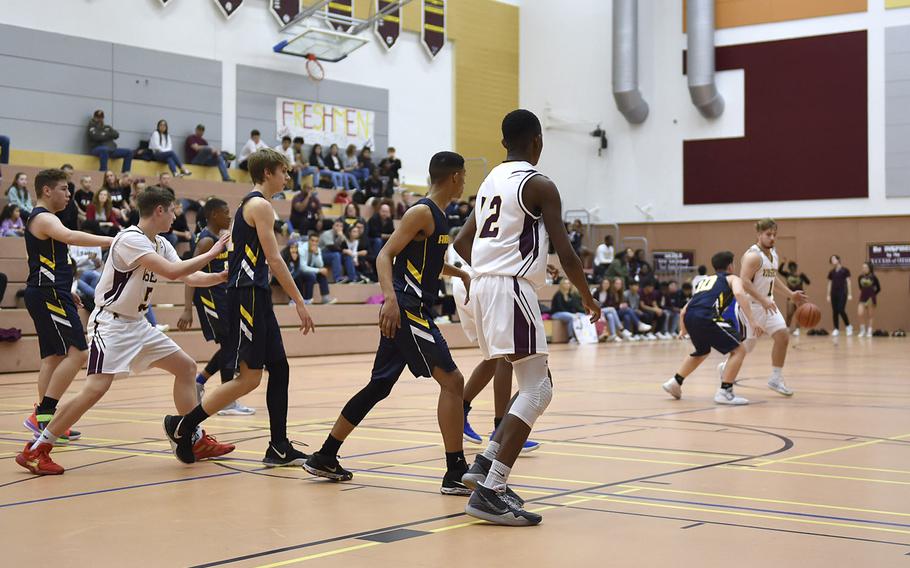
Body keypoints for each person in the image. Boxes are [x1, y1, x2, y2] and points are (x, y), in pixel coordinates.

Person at [16, 186, 233, 475]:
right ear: (159, 210)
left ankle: (192, 438)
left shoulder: (161, 243)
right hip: (112, 324)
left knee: (185, 367)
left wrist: (219, 275)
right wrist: (215, 251)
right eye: (172, 211)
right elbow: (170, 273)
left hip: (138, 324)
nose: (174, 217)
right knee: (95, 389)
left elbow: (187, 274)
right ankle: (37, 448)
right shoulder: (130, 239)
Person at [454, 109, 599, 526]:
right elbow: (566, 252)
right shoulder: (540, 184)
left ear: (505, 143)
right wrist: (588, 297)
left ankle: (484, 465)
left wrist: (490, 270)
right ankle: (491, 488)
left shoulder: (489, 183)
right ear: (537, 141)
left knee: (536, 384)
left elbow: (464, 241)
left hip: (484, 287)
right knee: (538, 391)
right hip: (510, 289)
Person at [303, 151, 473, 495]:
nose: (465, 181)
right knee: (453, 381)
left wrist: (461, 273)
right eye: (464, 175)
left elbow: (428, 264)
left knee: (379, 386)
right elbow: (385, 255)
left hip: (412, 308)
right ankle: (455, 471)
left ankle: (325, 455)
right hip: (407, 309)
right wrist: (390, 300)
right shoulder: (422, 211)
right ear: (454, 177)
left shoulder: (439, 215)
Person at [163, 148, 316, 467]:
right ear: (268, 173)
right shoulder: (260, 205)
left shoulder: (254, 204)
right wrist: (299, 301)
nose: (288, 176)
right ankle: (184, 426)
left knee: (281, 370)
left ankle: (279, 446)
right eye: (283, 171)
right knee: (248, 378)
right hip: (247, 295)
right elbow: (274, 259)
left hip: (254, 294)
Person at [19, 169, 112, 461]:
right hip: (48, 294)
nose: (69, 195)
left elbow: (51, 260)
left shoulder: (44, 219)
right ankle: (44, 414)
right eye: (63, 189)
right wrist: (110, 240)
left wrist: (66, 286)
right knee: (79, 354)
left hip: (48, 290)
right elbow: (71, 236)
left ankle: (44, 421)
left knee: (53, 357)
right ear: (47, 190)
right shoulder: (44, 217)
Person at [448, 229, 541, 450]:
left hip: (477, 280)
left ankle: (461, 409)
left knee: (495, 356)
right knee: (505, 355)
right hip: (479, 280)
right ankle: (501, 429)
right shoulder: (518, 207)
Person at [177, 198, 255, 416]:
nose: (229, 216)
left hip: (223, 298)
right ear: (213, 215)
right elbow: (188, 273)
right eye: (225, 212)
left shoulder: (219, 238)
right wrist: (187, 308)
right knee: (230, 346)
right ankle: (225, 400)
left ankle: (201, 383)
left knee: (230, 346)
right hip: (210, 301)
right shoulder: (205, 242)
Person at [661, 251, 762, 406]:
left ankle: (675, 381)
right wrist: (753, 321)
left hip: (691, 316)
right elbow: (739, 294)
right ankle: (725, 392)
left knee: (702, 351)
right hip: (707, 316)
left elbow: (684, 310)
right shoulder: (733, 278)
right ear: (730, 266)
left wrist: (683, 329)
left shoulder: (706, 281)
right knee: (739, 350)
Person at [733, 218, 807, 397]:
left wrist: (791, 294)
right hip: (750, 307)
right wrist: (762, 300)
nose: (772, 238)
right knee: (746, 348)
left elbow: (773, 278)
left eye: (774, 234)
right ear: (759, 234)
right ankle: (726, 368)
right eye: (768, 234)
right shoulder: (753, 256)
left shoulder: (773, 254)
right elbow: (744, 281)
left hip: (768, 304)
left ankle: (775, 378)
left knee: (782, 335)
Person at [282, 235, 336, 305]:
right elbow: (302, 267)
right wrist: (319, 270)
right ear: (308, 241)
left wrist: (316, 254)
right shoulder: (302, 249)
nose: (314, 243)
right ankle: (307, 298)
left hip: (310, 270)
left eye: (316, 241)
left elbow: (320, 265)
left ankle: (325, 298)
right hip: (300, 271)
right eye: (312, 241)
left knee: (322, 274)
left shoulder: (318, 249)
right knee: (312, 275)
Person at [778, 260, 811, 335]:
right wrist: (783, 263)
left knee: (799, 313)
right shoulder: (787, 274)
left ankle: (797, 329)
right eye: (791, 267)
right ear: (789, 268)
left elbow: (808, 282)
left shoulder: (801, 275)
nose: (792, 268)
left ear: (796, 268)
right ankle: (787, 328)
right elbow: (780, 271)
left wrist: (804, 277)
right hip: (791, 296)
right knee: (789, 314)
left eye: (794, 267)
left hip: (800, 297)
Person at [319, 218, 355, 283]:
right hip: (321, 255)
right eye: (337, 225)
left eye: (341, 226)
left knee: (347, 256)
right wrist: (344, 251)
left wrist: (342, 237)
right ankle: (338, 278)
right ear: (333, 226)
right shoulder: (327, 234)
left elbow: (346, 248)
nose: (339, 228)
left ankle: (352, 278)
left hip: (333, 255)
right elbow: (331, 248)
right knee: (336, 255)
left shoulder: (341, 235)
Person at [827, 254, 852, 336]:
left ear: (838, 260)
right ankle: (836, 329)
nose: (832, 261)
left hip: (842, 293)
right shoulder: (831, 272)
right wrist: (828, 295)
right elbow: (829, 283)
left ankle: (848, 326)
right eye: (831, 260)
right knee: (835, 311)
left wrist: (850, 294)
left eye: (834, 259)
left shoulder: (845, 270)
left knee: (841, 309)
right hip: (834, 293)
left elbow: (848, 282)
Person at [856, 261, 881, 337]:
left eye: (865, 267)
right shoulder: (860, 277)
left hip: (871, 298)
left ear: (870, 268)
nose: (864, 268)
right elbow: (860, 287)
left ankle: (869, 331)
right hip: (862, 298)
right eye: (863, 267)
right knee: (860, 314)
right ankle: (862, 330)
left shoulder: (874, 277)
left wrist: (873, 295)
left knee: (870, 315)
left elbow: (878, 288)